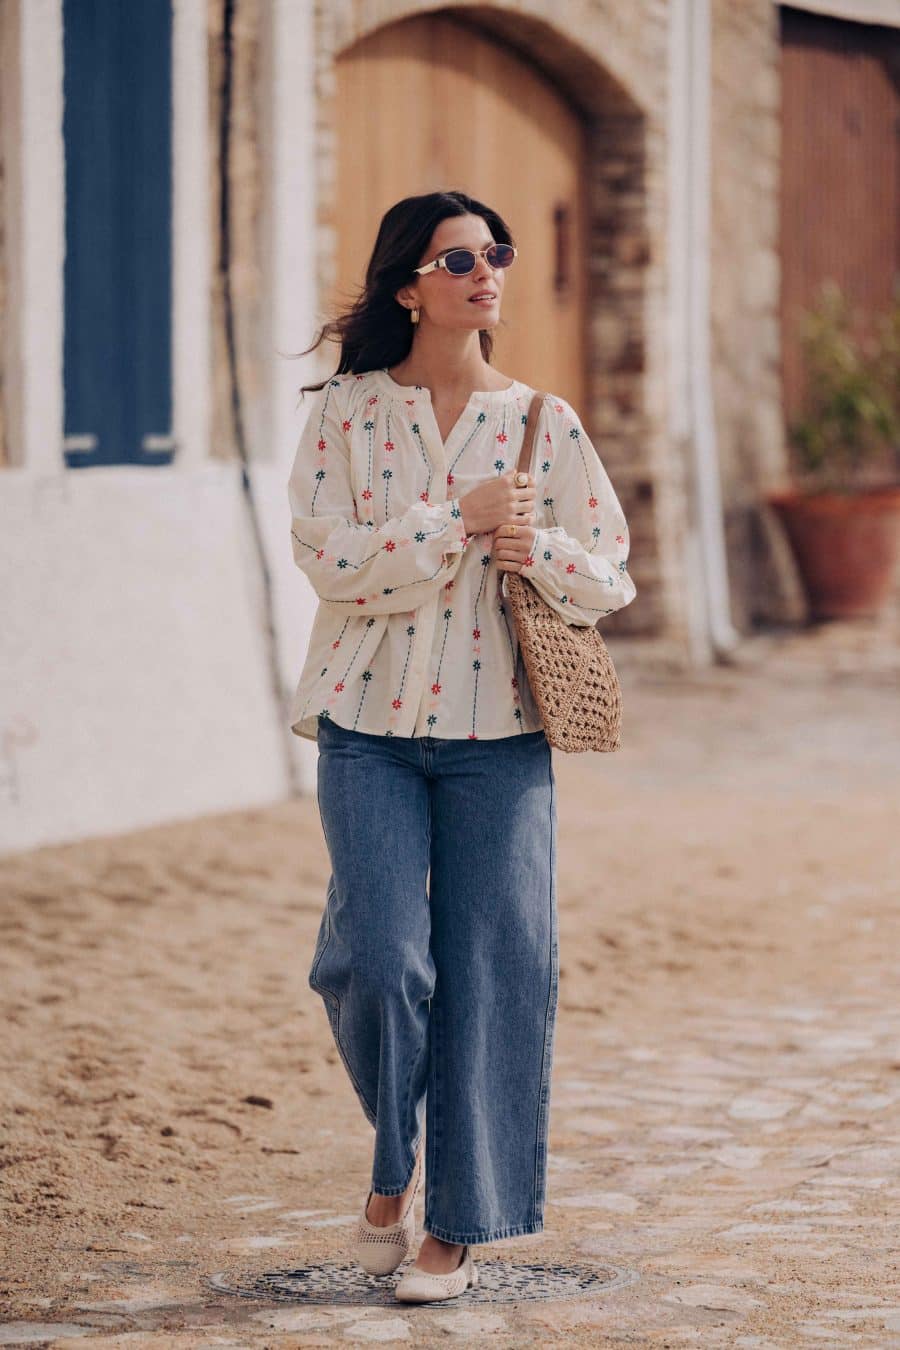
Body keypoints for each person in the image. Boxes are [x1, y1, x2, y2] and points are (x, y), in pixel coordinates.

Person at [285, 189, 637, 1303]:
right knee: (373, 963)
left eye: (498, 253)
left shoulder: (548, 421)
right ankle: (393, 1164)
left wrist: (535, 551)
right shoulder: (345, 411)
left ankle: (456, 1224)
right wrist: (457, 519)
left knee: (495, 975)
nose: (487, 271)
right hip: (367, 731)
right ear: (409, 286)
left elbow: (612, 573)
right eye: (458, 258)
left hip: (501, 739)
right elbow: (328, 560)